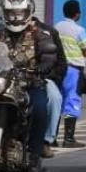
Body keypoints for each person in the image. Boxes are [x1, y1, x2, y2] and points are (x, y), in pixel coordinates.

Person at [0, 0, 59, 170]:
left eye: (19, 13)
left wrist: (41, 68)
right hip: (1, 85)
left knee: (41, 109)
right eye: (11, 13)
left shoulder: (40, 34)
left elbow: (49, 56)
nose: (15, 17)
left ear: (28, 13)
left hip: (30, 84)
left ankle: (34, 154)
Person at [56, 0, 86, 148]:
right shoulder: (79, 30)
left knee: (57, 101)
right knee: (72, 101)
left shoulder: (56, 27)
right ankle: (69, 138)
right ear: (77, 14)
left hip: (57, 69)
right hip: (74, 70)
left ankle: (50, 137)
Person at [35, 13, 70, 158]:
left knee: (55, 98)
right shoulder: (1, 33)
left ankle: (46, 140)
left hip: (38, 78)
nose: (16, 17)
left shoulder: (47, 32)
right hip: (7, 79)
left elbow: (61, 62)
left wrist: (50, 76)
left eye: (20, 12)